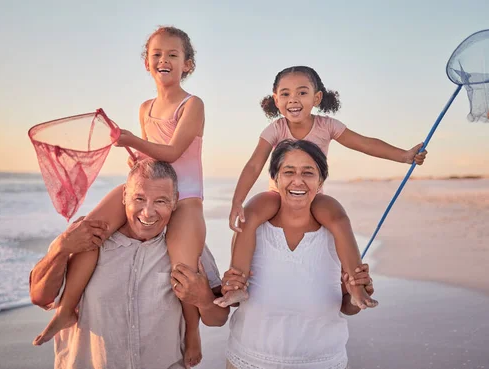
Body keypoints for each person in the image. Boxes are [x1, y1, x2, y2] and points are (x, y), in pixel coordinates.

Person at [32, 26, 207, 367]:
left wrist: (130, 141)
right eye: (156, 54)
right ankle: (67, 309)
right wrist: (137, 159)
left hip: (184, 196)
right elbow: (153, 159)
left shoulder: (192, 104)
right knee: (92, 231)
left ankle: (193, 333)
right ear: (146, 63)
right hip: (154, 187)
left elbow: (172, 152)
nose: (164, 60)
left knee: (184, 268)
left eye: (173, 54)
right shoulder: (145, 107)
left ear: (187, 64)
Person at [215, 65, 426, 308]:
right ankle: (237, 285)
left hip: (314, 194)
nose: (293, 99)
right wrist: (236, 201)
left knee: (338, 217)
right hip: (278, 193)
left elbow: (364, 143)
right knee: (249, 215)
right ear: (275, 99)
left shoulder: (327, 125)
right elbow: (253, 165)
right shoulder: (275, 129)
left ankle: (356, 287)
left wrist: (403, 156)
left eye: (302, 93)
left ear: (317, 98)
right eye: (285, 94)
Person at [29, 159, 229, 369]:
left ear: (175, 201)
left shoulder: (188, 247)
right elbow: (39, 296)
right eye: (139, 198)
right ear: (124, 196)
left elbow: (218, 319)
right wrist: (60, 248)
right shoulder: (84, 238)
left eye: (161, 201)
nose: (148, 212)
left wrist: (204, 300)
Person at [223, 139, 374, 368]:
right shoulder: (254, 226)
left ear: (321, 180)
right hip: (249, 359)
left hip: (322, 361)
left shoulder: (335, 230)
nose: (298, 181)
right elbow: (233, 302)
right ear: (275, 178)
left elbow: (347, 306)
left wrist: (356, 298)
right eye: (289, 172)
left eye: (308, 173)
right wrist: (232, 287)